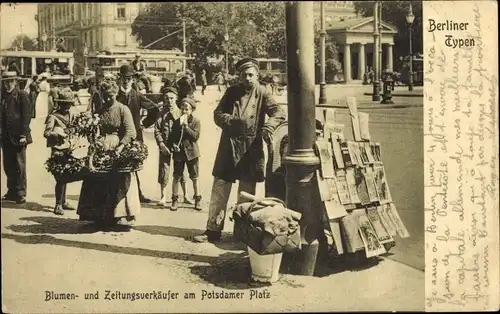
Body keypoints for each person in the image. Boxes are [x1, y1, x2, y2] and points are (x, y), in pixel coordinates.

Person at [193, 57, 286, 243]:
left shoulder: (263, 92)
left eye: (251, 75)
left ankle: (241, 232)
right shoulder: (231, 91)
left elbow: (279, 113)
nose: (248, 78)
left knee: (246, 192)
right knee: (220, 188)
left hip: (251, 148)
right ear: (239, 76)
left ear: (257, 76)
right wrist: (231, 121)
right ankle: (213, 230)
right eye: (244, 75)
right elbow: (217, 114)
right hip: (229, 145)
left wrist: (268, 127)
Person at [77, 80, 139, 229]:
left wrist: (121, 146)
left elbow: (131, 131)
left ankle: (117, 215)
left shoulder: (123, 109)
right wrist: (93, 139)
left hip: (117, 145)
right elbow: (94, 128)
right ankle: (98, 215)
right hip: (101, 146)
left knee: (116, 180)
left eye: (111, 95)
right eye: (105, 96)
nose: (108, 99)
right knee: (97, 180)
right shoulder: (100, 110)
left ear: (116, 94)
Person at [116, 64, 159, 203]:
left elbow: (154, 109)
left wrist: (144, 124)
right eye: (123, 78)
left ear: (133, 79)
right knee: (117, 165)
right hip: (118, 136)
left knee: (134, 165)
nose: (126, 81)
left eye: (129, 78)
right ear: (119, 78)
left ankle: (137, 194)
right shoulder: (115, 95)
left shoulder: (138, 96)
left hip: (135, 136)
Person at [154, 87, 193, 208]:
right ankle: (163, 196)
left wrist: (179, 144)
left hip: (178, 146)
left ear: (176, 98)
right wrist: (161, 144)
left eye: (171, 98)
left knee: (181, 170)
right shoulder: (160, 113)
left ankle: (185, 195)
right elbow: (157, 130)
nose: (169, 101)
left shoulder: (181, 112)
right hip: (165, 145)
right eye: (166, 98)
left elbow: (185, 129)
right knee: (164, 169)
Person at [43, 88, 77, 215]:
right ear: (60, 104)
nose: (67, 107)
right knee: (60, 178)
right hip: (57, 150)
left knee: (66, 175)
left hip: (68, 148)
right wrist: (57, 134)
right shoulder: (53, 117)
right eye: (64, 104)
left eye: (69, 104)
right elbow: (46, 133)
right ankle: (58, 204)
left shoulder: (72, 115)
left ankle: (63, 201)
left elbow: (74, 128)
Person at [0, 71, 32, 204]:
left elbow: (26, 116)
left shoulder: (21, 95)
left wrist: (23, 135)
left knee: (19, 165)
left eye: (11, 81)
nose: (8, 84)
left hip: (19, 136)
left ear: (16, 82)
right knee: (8, 165)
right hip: (5, 136)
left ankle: (20, 192)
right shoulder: (3, 96)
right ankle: (11, 191)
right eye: (6, 81)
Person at [168, 97, 202, 211]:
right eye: (182, 109)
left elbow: (195, 136)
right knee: (176, 176)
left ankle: (197, 199)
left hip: (192, 153)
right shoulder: (177, 122)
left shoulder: (196, 122)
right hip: (179, 154)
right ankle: (175, 199)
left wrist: (186, 127)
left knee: (194, 177)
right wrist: (173, 145)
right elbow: (172, 138)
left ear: (192, 110)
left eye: (187, 109)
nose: (184, 111)